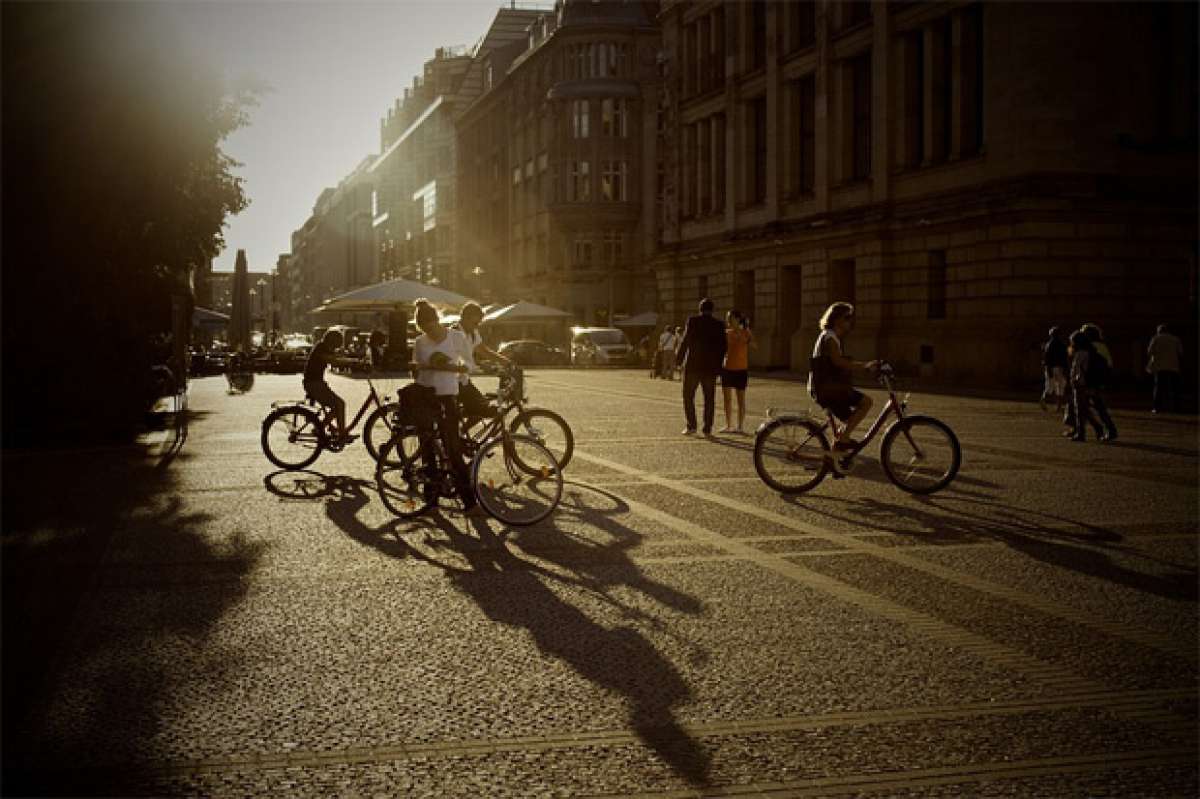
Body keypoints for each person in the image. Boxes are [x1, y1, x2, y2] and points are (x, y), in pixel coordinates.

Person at [412, 299, 478, 513]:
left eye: (430, 327)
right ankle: (431, 501)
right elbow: (415, 370)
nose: (428, 332)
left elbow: (469, 365)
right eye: (423, 329)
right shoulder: (420, 342)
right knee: (427, 448)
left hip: (448, 396)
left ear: (436, 321)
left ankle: (469, 502)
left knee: (453, 448)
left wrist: (455, 368)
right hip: (424, 396)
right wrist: (421, 366)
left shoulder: (456, 337)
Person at [808, 302, 878, 474]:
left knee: (848, 421)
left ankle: (834, 458)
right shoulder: (830, 337)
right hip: (828, 388)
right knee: (866, 402)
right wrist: (865, 366)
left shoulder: (829, 335)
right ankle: (843, 440)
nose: (850, 322)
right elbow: (838, 362)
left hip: (824, 387)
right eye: (847, 318)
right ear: (837, 319)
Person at [675, 298, 727, 436]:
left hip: (693, 365)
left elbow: (685, 341)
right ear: (712, 310)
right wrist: (719, 366)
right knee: (709, 398)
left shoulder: (693, 321)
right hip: (710, 368)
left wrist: (679, 360)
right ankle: (707, 428)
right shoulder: (719, 324)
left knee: (688, 396)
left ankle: (692, 425)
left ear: (700, 309)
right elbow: (723, 347)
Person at [455, 301, 510, 424]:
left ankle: (461, 435)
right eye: (474, 323)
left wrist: (504, 361)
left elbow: (483, 350)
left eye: (478, 323)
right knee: (482, 408)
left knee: (478, 409)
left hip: (463, 380)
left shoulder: (473, 333)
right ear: (464, 317)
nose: (476, 326)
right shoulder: (453, 333)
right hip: (454, 382)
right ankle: (457, 438)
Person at [303, 329, 350, 443]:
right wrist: (352, 363)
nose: (336, 348)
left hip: (316, 383)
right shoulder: (321, 349)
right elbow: (333, 361)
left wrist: (351, 360)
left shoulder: (322, 347)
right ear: (332, 342)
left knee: (336, 407)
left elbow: (336, 358)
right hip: (314, 384)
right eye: (336, 345)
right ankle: (342, 434)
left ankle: (321, 428)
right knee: (340, 404)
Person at [719, 310, 754, 434]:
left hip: (741, 369)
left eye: (731, 318)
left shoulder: (746, 332)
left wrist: (746, 333)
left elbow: (754, 345)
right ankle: (728, 425)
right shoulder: (726, 333)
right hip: (727, 369)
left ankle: (740, 426)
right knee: (727, 399)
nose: (728, 321)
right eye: (727, 318)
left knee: (741, 400)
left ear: (738, 319)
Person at [1080, 323, 1117, 441]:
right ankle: (1110, 429)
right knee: (1099, 406)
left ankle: (1098, 428)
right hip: (1099, 381)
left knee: (1082, 407)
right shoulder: (1102, 346)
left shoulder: (1086, 346)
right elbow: (1110, 364)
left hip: (1087, 380)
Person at [1067, 329, 1104, 442]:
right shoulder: (1089, 352)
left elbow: (1077, 369)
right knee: (1084, 409)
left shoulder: (1080, 354)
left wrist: (1074, 380)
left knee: (1080, 409)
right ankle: (1096, 428)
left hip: (1080, 384)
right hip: (1086, 384)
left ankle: (1082, 433)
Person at [1147, 323, 1184, 413]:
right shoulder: (1175, 339)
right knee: (1174, 388)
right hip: (1173, 367)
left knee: (1159, 388)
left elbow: (1149, 352)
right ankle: (1176, 407)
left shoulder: (1155, 338)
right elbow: (1180, 353)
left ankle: (1157, 407)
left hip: (1160, 367)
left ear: (1159, 331)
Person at [1040, 326, 1069, 413]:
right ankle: (1058, 406)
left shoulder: (1048, 345)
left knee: (1050, 387)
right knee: (1060, 387)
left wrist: (1048, 369)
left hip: (1050, 367)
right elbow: (1065, 358)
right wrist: (1066, 369)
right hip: (1059, 368)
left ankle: (1044, 400)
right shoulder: (1062, 345)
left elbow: (1046, 359)